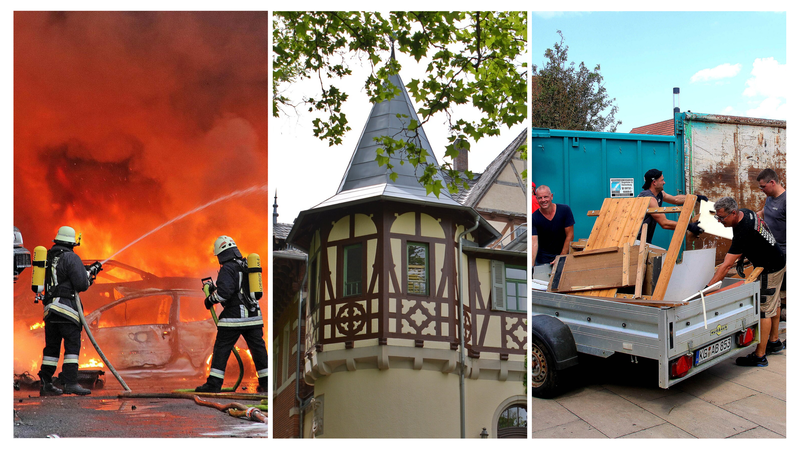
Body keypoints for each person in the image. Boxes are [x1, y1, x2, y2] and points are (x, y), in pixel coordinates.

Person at [704, 197, 785, 367]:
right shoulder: (747, 213)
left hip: (768, 268)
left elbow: (726, 266)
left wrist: (707, 289)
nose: (719, 221)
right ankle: (774, 341)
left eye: (722, 217)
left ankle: (760, 355)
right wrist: (743, 256)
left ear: (733, 213)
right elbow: (756, 237)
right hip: (779, 260)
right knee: (774, 303)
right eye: (717, 217)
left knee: (764, 310)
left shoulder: (742, 230)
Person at [196, 235, 269, 393]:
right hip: (254, 318)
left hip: (233, 319)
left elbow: (225, 293)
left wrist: (210, 299)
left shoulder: (227, 268)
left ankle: (214, 384)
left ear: (221, 254)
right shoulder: (246, 265)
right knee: (258, 350)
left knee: (222, 349)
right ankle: (266, 384)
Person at [38, 226, 102, 396]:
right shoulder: (71, 257)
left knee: (51, 349)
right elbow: (81, 285)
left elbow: (63, 278)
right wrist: (89, 276)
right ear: (72, 243)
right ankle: (70, 382)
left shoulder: (50, 257)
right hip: (66, 310)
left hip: (50, 311)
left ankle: (46, 383)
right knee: (72, 347)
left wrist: (85, 271)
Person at [637, 168, 707, 244]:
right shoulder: (649, 199)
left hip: (644, 238)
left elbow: (675, 199)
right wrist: (689, 227)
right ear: (654, 182)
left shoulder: (659, 194)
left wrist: (695, 197)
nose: (664, 182)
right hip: (635, 239)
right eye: (662, 180)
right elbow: (664, 223)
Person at [531, 185, 574, 274]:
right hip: (543, 259)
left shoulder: (565, 210)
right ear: (537, 199)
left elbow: (570, 235)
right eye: (540, 198)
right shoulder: (534, 218)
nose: (543, 200)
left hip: (563, 254)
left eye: (546, 197)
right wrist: (531, 266)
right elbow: (533, 243)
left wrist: (561, 257)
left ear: (551, 196)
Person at [756, 168, 786, 255]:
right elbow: (763, 212)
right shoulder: (770, 197)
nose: (761, 190)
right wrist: (748, 218)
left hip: (782, 253)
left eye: (763, 186)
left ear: (772, 182)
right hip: (769, 249)